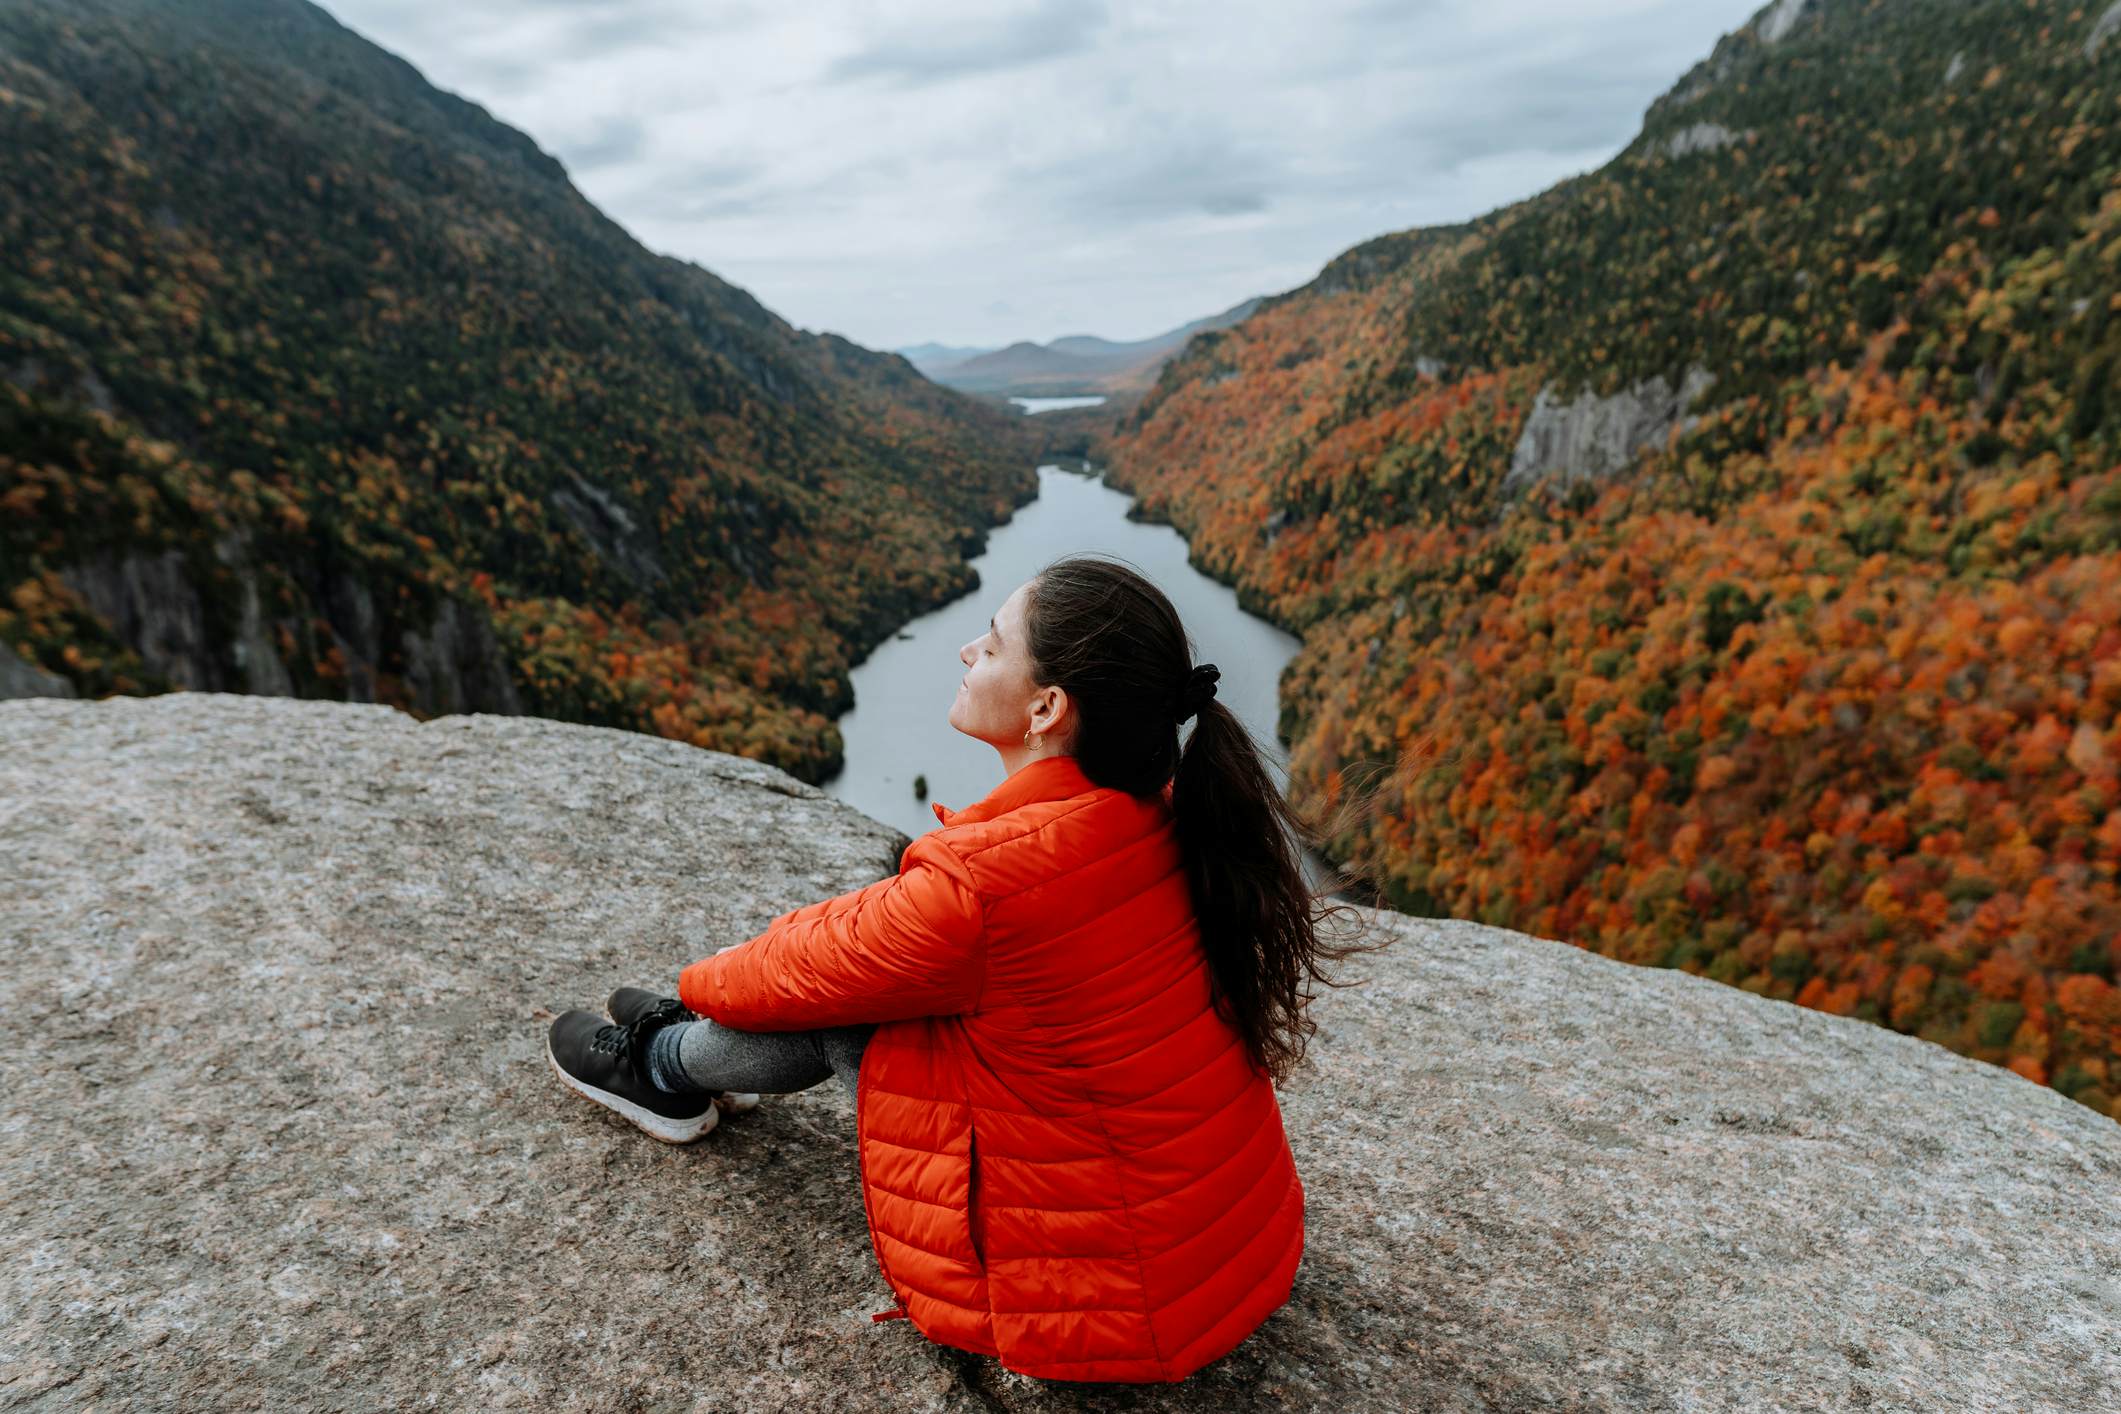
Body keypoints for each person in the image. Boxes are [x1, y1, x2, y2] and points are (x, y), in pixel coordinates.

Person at [545, 553, 1379, 1383]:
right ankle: (687, 1057)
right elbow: (892, 929)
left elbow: (801, 971)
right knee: (886, 975)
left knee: (851, 999)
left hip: (1095, 1306)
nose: (965, 653)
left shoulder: (984, 884)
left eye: (990, 642)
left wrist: (702, 983)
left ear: (1046, 708)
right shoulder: (1164, 815)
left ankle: (661, 1068)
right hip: (1221, 1261)